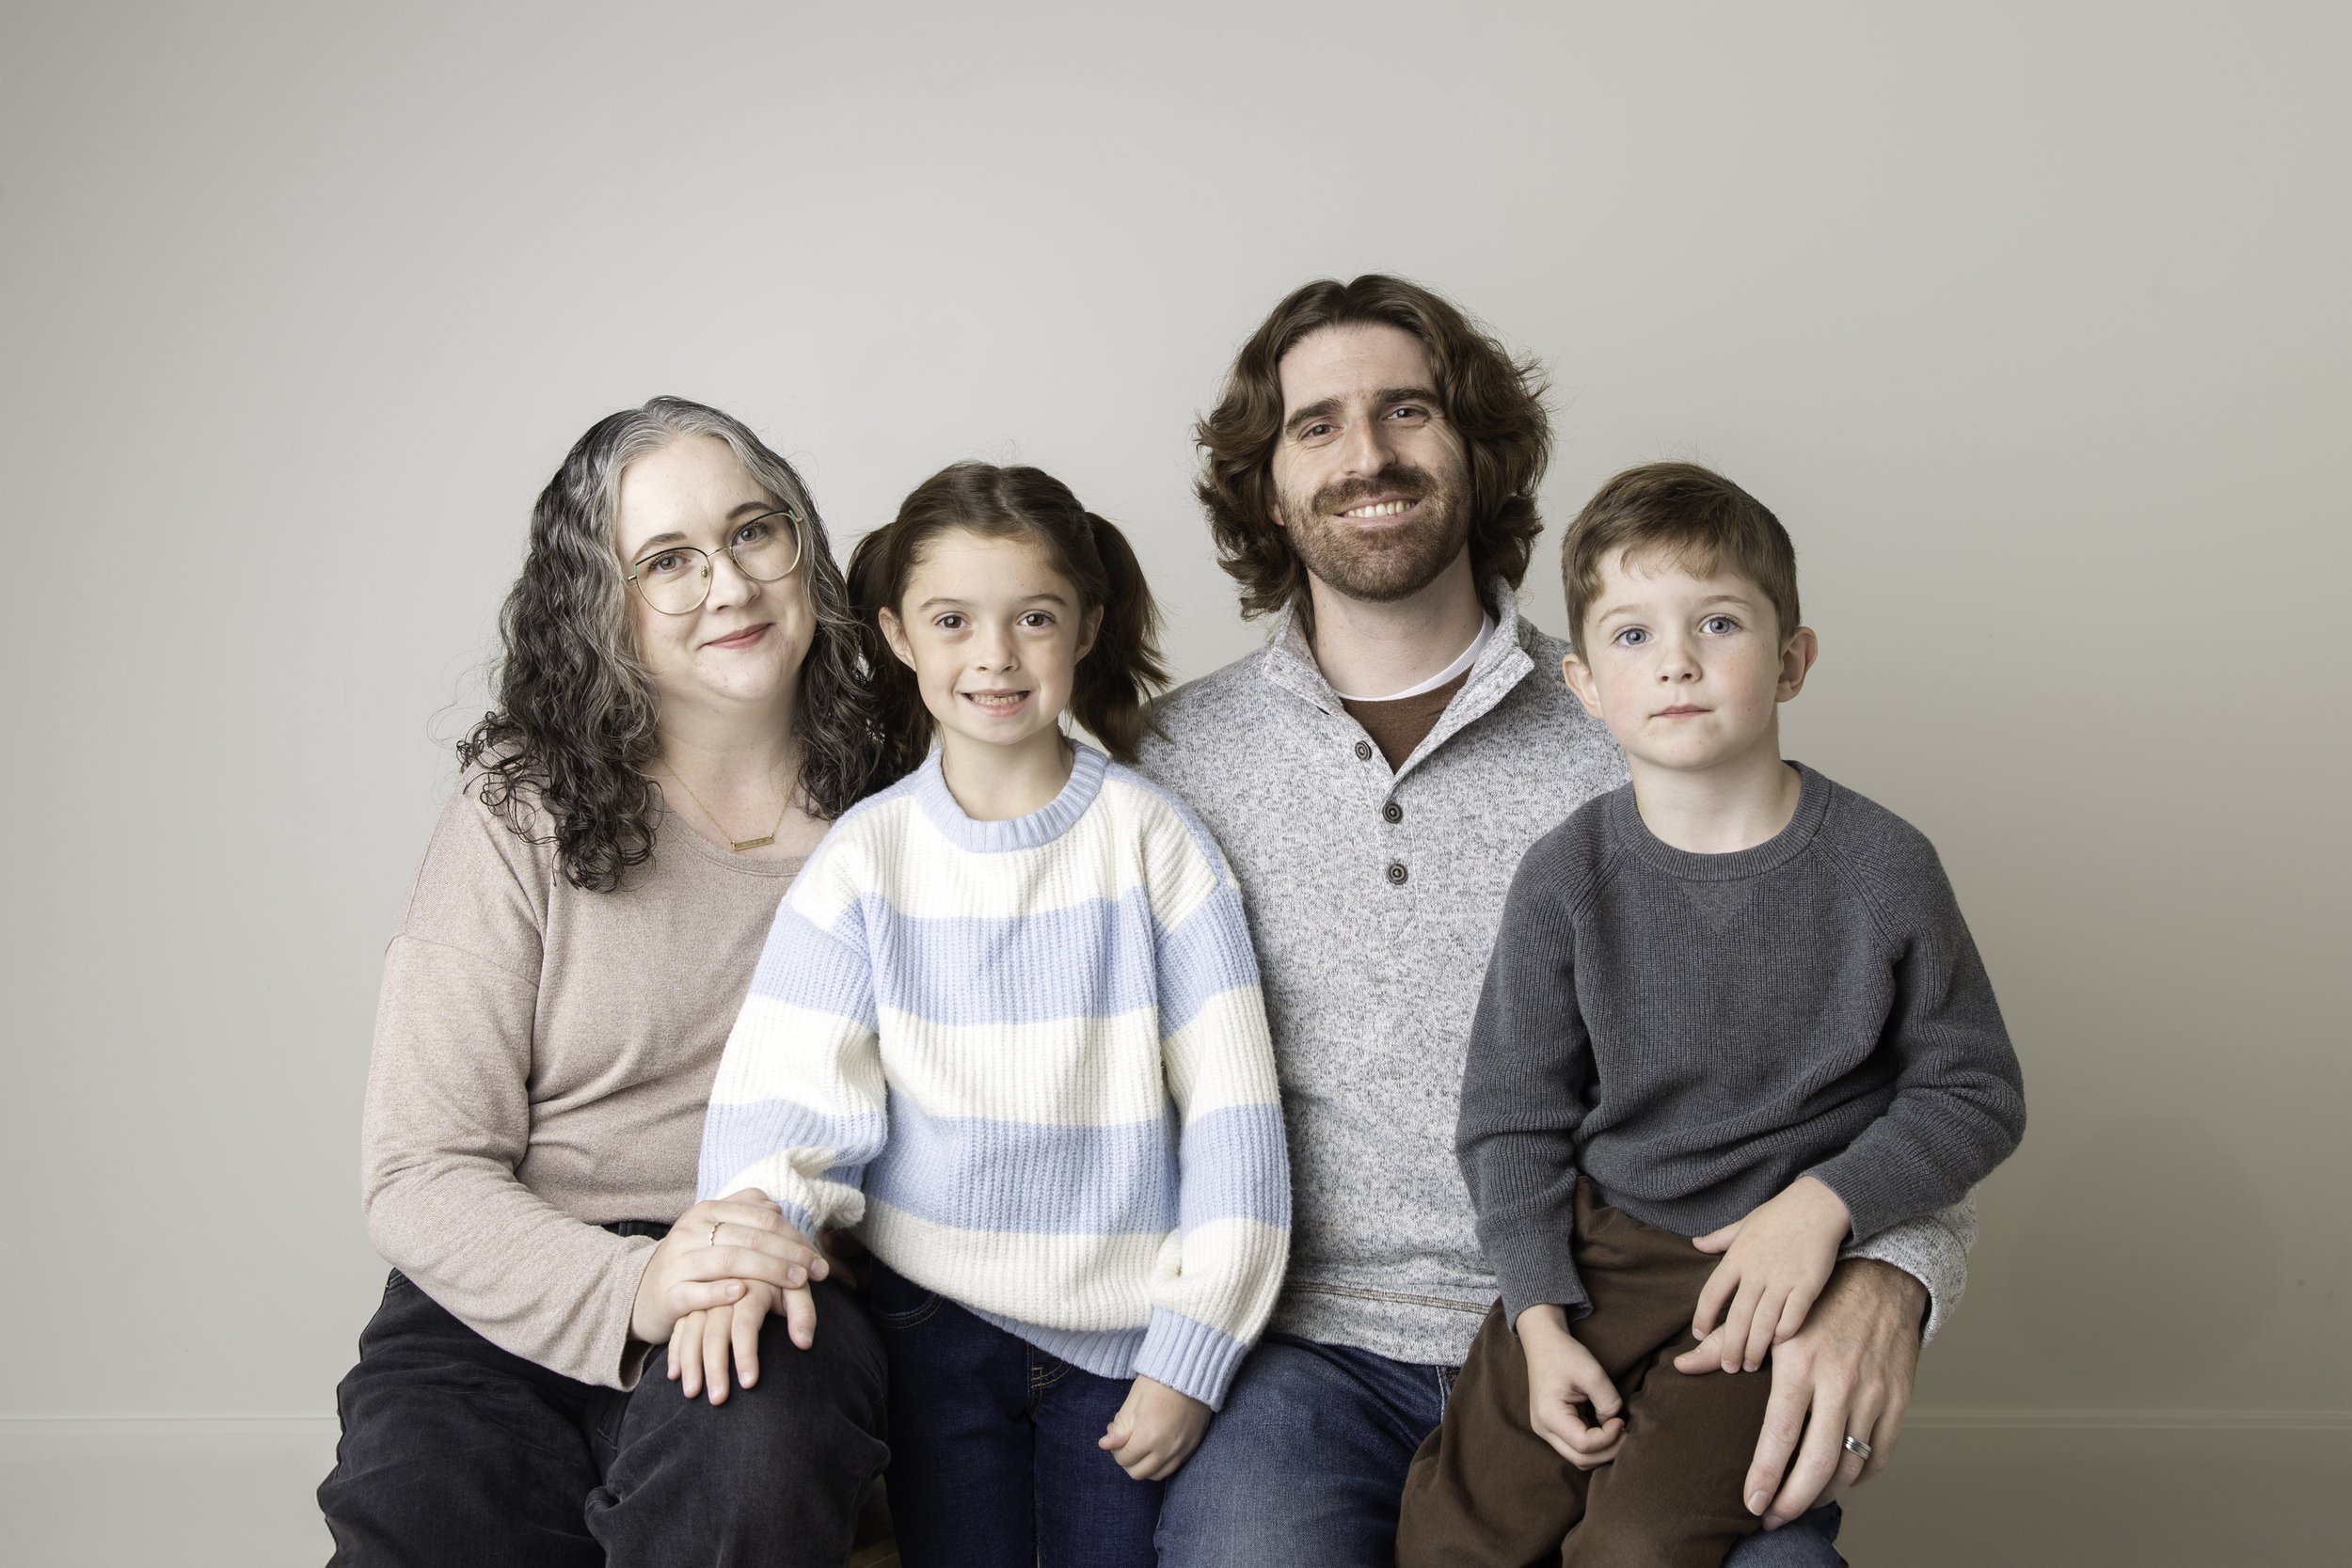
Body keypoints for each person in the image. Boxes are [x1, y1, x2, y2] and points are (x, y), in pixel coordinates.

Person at [1136, 276, 1979, 1568]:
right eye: (1317, 426)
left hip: (1651, 1330)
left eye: (1408, 410)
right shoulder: (1178, 761)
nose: (1367, 453)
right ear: (1266, 485)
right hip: (1300, 1355)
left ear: (1480, 447)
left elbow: (1889, 1070)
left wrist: (1896, 1278)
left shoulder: (1648, 716)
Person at [1393, 462, 2028, 1566]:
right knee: (1453, 1535)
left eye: (1717, 622)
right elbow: (1509, 1115)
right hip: (1596, 1260)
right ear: (1585, 685)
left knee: (1640, 1544)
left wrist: (1827, 1204)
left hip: (1770, 1284)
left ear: (1791, 661)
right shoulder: (1567, 873)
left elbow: (1974, 1091)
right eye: (1632, 636)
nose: (1676, 660)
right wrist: (1538, 1315)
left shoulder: (1881, 867)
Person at [318, 397, 893, 1567]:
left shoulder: (908, 806)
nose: (726, 585)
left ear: (804, 548)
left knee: (752, 1470)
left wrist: (739, 1254)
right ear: (604, 609)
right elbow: (418, 1168)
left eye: (752, 533)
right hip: (508, 1284)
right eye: (667, 561)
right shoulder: (518, 809)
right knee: (426, 1514)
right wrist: (638, 1281)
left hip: (768, 1278)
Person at [686, 462, 1292, 1568]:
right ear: (898, 633)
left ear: (1087, 626)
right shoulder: (866, 858)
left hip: (1125, 1340)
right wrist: (747, 1242)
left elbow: (1236, 1122)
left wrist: (1192, 1354)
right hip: (931, 1329)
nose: (995, 655)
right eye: (953, 619)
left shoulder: (1155, 844)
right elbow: (784, 1096)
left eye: (1035, 618)